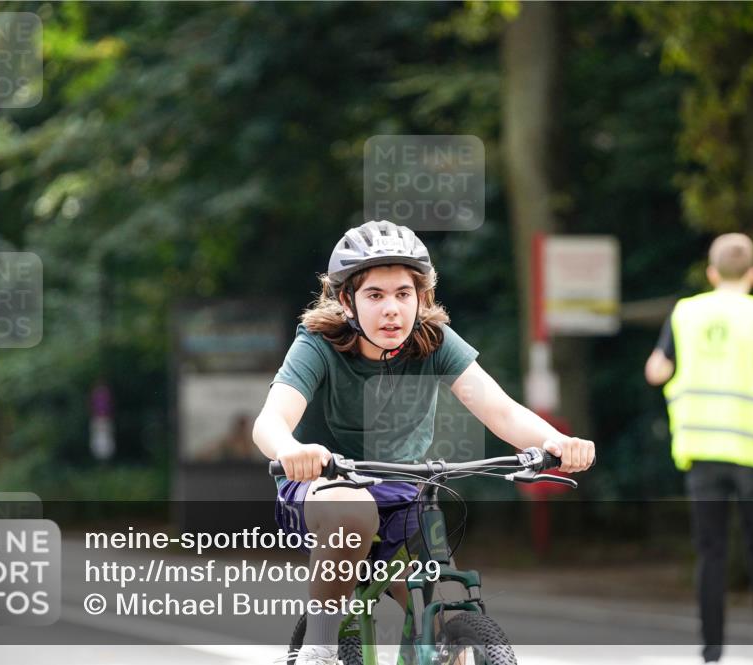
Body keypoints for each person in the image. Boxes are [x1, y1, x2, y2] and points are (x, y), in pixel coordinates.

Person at [252, 220, 595, 665]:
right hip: (324, 484)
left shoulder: (434, 342)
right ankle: (319, 648)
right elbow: (271, 420)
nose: (391, 309)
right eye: (375, 295)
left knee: (435, 619)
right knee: (352, 513)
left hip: (404, 487)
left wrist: (556, 441)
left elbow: (502, 411)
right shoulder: (318, 344)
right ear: (346, 301)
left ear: (421, 297)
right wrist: (291, 450)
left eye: (403, 294)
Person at [645, 232, 753, 664]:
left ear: (711, 273)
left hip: (703, 452)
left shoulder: (686, 313)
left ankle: (712, 652)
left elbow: (656, 370)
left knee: (710, 553)